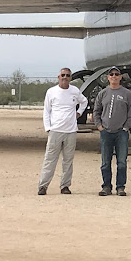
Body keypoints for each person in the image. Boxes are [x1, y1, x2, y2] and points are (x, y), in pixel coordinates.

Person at [38, 68, 88, 196]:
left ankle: (65, 185)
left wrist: (79, 113)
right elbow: (46, 111)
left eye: (68, 75)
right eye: (63, 75)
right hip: (55, 130)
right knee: (50, 159)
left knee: (68, 160)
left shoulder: (75, 91)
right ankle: (43, 186)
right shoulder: (51, 92)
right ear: (58, 77)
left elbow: (84, 101)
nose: (65, 77)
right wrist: (48, 127)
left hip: (71, 131)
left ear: (70, 78)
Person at [93, 66, 131, 196]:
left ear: (120, 77)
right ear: (108, 77)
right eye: (111, 74)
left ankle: (120, 187)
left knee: (121, 162)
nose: (114, 76)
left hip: (121, 133)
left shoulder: (127, 94)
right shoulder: (103, 93)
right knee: (105, 162)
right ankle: (106, 186)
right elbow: (96, 111)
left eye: (116, 74)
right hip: (106, 132)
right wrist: (100, 127)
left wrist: (126, 127)